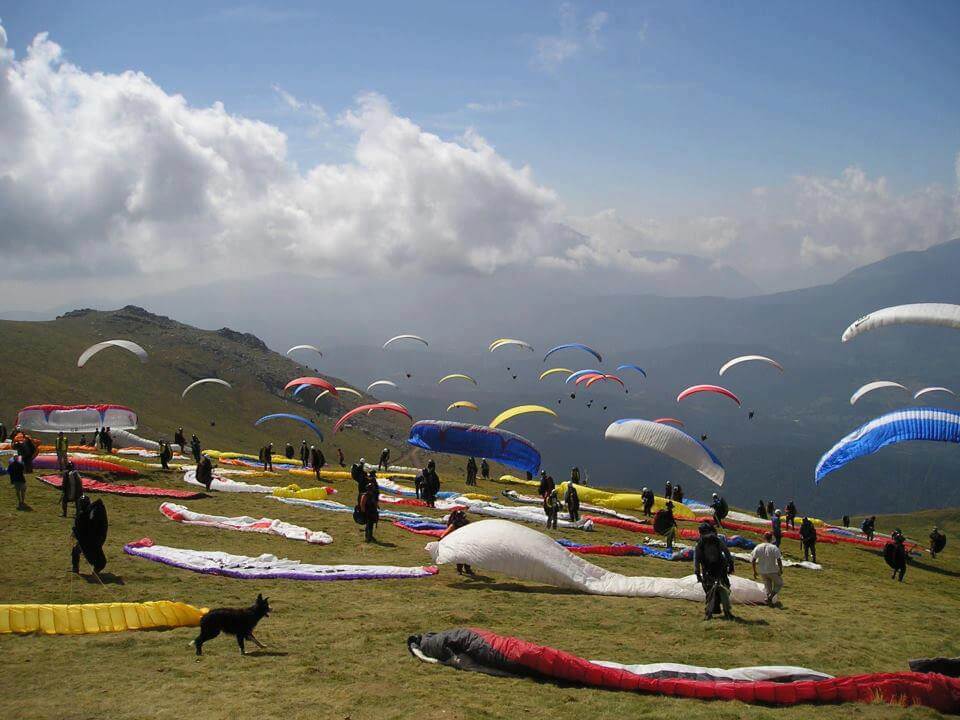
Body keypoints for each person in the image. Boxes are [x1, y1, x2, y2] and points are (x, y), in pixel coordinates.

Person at [694, 522, 735, 620]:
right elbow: (726, 551)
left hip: (707, 571)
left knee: (710, 592)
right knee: (724, 590)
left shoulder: (700, 543)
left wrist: (697, 572)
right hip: (721, 569)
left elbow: (696, 559)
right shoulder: (717, 540)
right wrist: (731, 564)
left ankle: (709, 613)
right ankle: (727, 611)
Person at [72, 495, 108, 575]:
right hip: (89, 539)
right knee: (75, 550)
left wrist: (75, 531)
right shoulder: (86, 513)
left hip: (92, 540)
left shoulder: (92, 513)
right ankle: (75, 568)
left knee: (97, 558)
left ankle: (96, 570)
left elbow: (86, 528)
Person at [751, 531, 783, 606]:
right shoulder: (774, 548)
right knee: (779, 583)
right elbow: (779, 559)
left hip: (762, 570)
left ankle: (769, 601)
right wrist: (780, 569)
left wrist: (754, 571)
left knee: (768, 587)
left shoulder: (758, 547)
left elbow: (753, 560)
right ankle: (770, 597)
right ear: (771, 538)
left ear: (764, 538)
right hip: (772, 570)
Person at [443, 509, 473, 575]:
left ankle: (461, 570)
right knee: (465, 556)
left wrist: (442, 538)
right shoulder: (464, 522)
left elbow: (448, 530)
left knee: (461, 556)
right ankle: (465, 570)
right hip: (464, 541)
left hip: (461, 541)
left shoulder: (455, 522)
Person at [360, 478, 379, 543]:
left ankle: (370, 536)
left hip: (372, 511)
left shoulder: (372, 495)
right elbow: (362, 504)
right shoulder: (365, 495)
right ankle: (368, 537)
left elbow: (374, 502)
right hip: (368, 512)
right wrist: (363, 512)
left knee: (371, 525)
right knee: (369, 525)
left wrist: (376, 507)